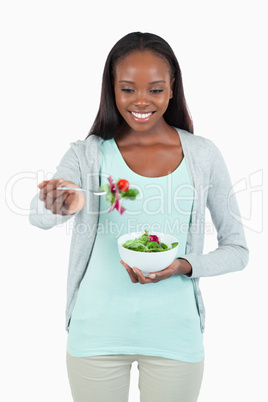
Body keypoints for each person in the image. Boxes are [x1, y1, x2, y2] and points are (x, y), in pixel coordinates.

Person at [29, 32, 249, 402]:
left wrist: (182, 265)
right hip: (95, 334)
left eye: (155, 89)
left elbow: (238, 250)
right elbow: (41, 217)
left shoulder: (203, 155)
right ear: (111, 89)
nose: (142, 101)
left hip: (174, 336)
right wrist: (57, 204)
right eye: (128, 89)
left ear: (173, 88)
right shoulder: (88, 154)